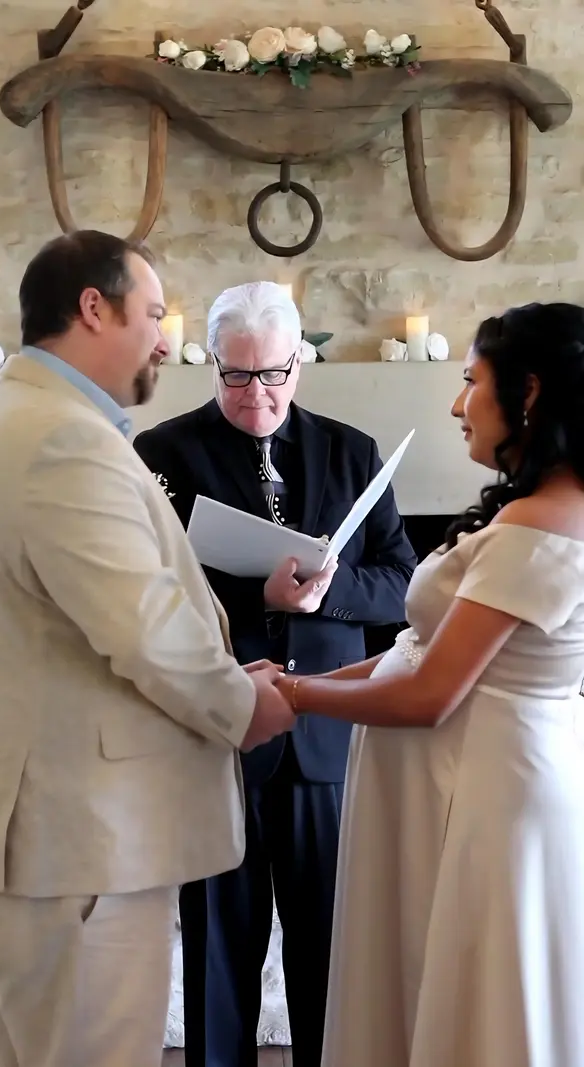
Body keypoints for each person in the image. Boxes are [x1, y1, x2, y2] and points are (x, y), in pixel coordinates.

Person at [0, 233, 294, 1067]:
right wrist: (242, 705)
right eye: (153, 314)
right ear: (94, 307)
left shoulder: (19, 415)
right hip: (83, 844)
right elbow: (143, 625)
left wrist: (226, 671)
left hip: (56, 835)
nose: (163, 340)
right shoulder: (62, 439)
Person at [276, 301, 584, 1067]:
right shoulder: (533, 512)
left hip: (487, 794)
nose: (456, 404)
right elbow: (415, 653)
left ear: (529, 391)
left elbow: (427, 693)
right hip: (465, 782)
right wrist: (300, 679)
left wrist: (294, 696)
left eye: (471, 381)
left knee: (481, 1002)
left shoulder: (540, 526)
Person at [134, 281, 416, 1067]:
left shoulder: (353, 452)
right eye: (236, 374)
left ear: (300, 362)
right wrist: (254, 595)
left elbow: (403, 581)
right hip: (217, 735)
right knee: (217, 950)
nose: (255, 393)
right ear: (213, 363)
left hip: (325, 740)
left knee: (332, 951)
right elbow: (146, 591)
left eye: (273, 374)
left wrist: (331, 590)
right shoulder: (161, 455)